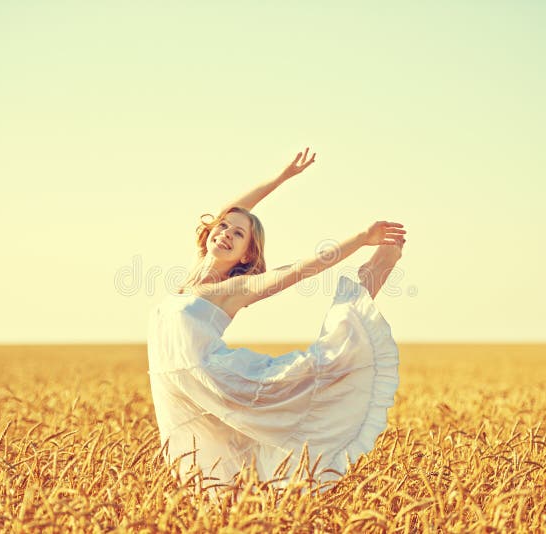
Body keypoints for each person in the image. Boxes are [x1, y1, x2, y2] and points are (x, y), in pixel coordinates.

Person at [147, 148, 406, 489]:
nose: (226, 232)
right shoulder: (191, 277)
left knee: (312, 375)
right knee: (212, 472)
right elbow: (235, 210)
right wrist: (281, 178)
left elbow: (298, 270)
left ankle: (368, 282)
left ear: (247, 253)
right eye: (223, 226)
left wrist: (360, 239)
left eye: (238, 235)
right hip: (181, 392)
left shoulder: (235, 288)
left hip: (217, 382)